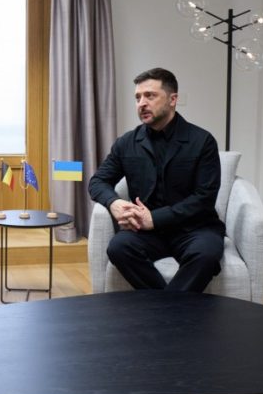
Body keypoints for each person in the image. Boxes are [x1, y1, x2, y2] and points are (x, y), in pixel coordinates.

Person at [88, 67, 224, 293]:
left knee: (206, 255)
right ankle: (172, 309)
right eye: (138, 97)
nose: (142, 103)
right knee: (118, 248)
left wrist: (155, 218)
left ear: (173, 99)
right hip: (146, 232)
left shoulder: (202, 141)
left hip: (194, 228)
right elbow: (97, 181)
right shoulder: (126, 143)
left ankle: (162, 310)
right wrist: (114, 203)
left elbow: (205, 198)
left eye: (150, 96)